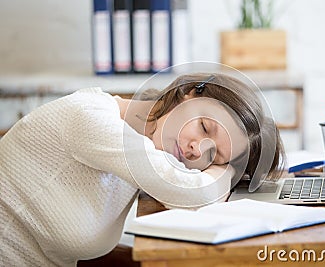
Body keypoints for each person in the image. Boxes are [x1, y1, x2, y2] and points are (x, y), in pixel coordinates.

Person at [0, 72, 285, 266]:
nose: (197, 150)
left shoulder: (147, 148)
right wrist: (226, 171)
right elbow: (194, 192)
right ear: (187, 93)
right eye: (204, 126)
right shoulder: (90, 119)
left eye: (213, 154)